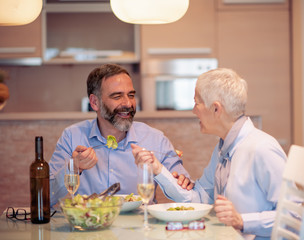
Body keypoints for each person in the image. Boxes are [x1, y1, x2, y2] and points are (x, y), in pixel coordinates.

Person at [132, 68, 287, 239]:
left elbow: (293, 217)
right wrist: (158, 170)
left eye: (196, 102)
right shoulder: (223, 149)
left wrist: (242, 221)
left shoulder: (262, 148)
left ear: (215, 109)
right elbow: (198, 199)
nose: (193, 110)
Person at [49, 64, 193, 207]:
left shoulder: (155, 139)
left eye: (131, 95)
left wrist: (169, 176)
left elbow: (186, 194)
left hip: (141, 226)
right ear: (94, 102)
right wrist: (73, 168)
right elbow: (46, 198)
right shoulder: (72, 137)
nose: (128, 103)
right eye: (117, 96)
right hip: (90, 224)